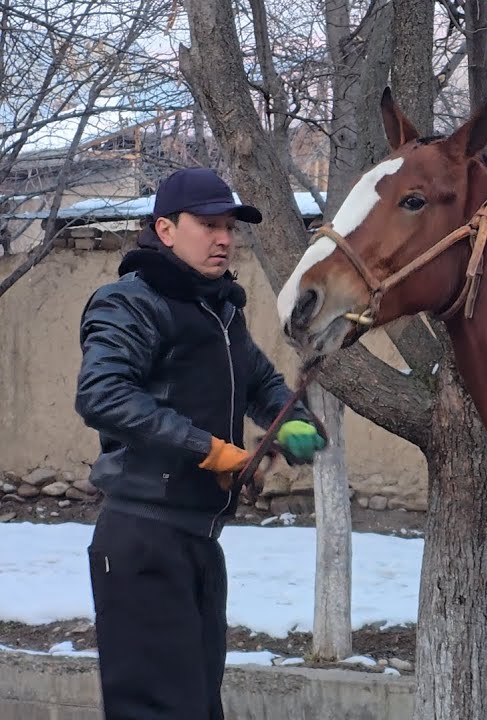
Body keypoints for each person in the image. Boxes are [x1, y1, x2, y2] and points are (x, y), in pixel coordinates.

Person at [73, 167, 328, 719]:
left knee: (197, 708)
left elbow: (261, 382)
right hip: (142, 540)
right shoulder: (129, 303)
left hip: (197, 542)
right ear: (165, 230)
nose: (224, 238)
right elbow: (103, 395)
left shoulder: (221, 312)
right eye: (208, 225)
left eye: (230, 227)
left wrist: (291, 421)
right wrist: (209, 449)